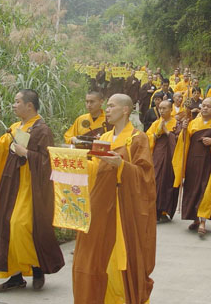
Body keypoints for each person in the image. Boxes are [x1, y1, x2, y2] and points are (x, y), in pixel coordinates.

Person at [73, 94, 156, 304]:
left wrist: (122, 165)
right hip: (101, 204)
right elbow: (97, 170)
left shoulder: (138, 138)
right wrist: (77, 163)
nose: (107, 110)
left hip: (124, 208)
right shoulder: (104, 138)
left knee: (122, 253)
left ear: (126, 110)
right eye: (107, 106)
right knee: (94, 255)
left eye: (111, 106)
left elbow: (146, 176)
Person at [0, 90, 64, 292]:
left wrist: (26, 153)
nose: (14, 105)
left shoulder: (42, 130)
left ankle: (37, 268)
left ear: (30, 105)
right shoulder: (16, 127)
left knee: (21, 225)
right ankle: (16, 276)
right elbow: (3, 150)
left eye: (17, 102)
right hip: (11, 186)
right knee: (6, 225)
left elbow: (48, 161)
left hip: (31, 187)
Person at [172, 97, 211, 236]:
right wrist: (185, 130)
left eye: (208, 106)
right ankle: (195, 219)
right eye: (203, 105)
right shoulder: (193, 123)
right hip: (193, 163)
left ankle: (203, 221)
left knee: (206, 190)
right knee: (193, 190)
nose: (205, 108)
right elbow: (184, 142)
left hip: (209, 164)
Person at [146, 100, 180, 222]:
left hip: (171, 156)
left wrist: (166, 131)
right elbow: (147, 137)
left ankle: (164, 211)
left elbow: (179, 140)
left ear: (171, 109)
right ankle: (154, 210)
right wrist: (155, 135)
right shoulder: (156, 123)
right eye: (160, 108)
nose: (162, 111)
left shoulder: (177, 123)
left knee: (167, 181)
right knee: (155, 180)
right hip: (158, 155)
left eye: (165, 108)